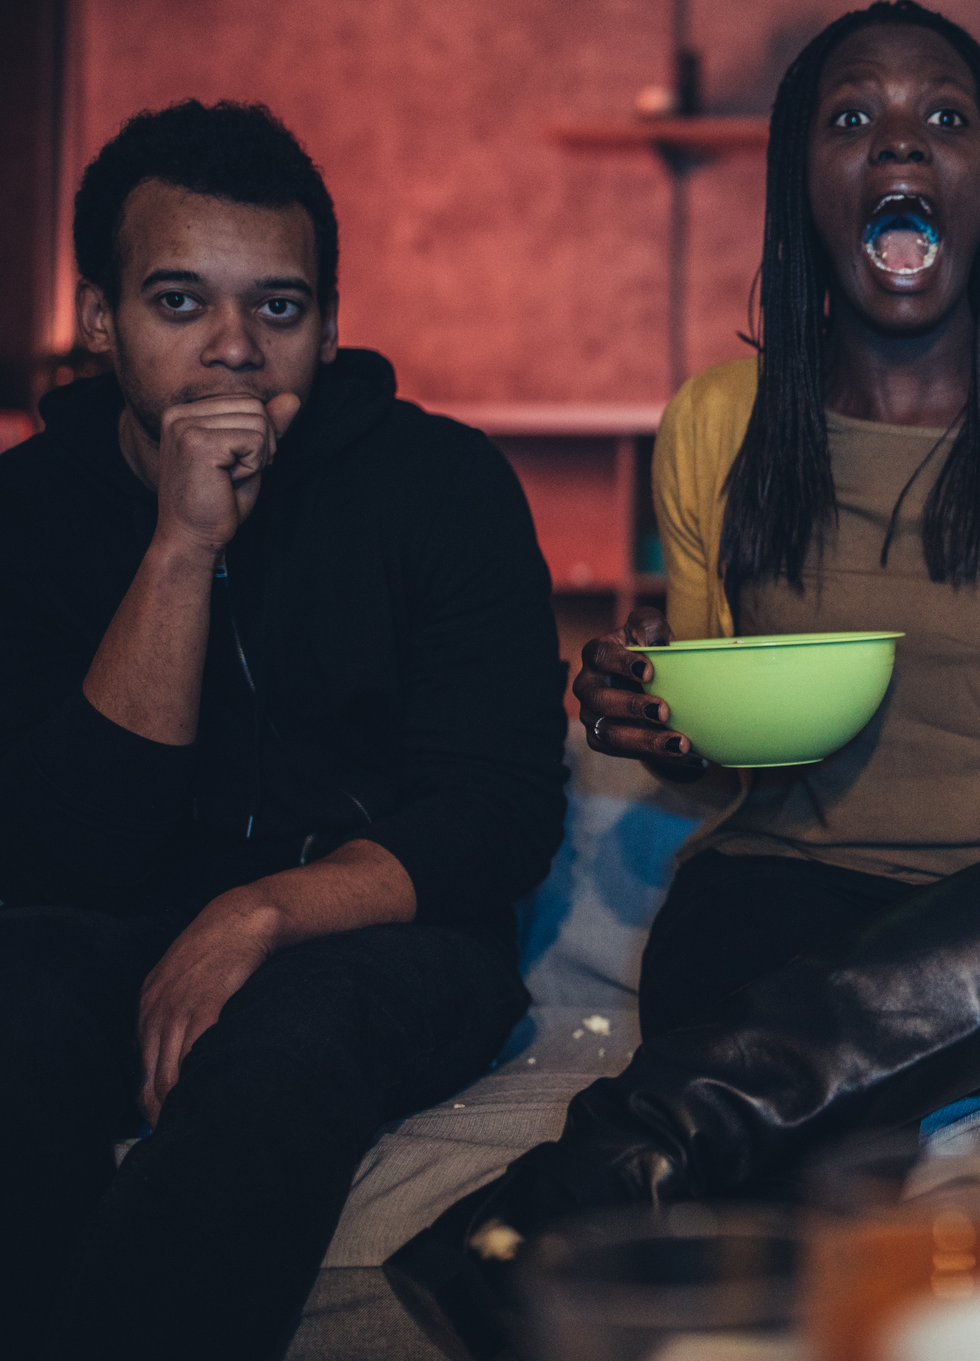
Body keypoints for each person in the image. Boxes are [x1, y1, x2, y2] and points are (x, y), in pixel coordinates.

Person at [385, 0, 980, 1359]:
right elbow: (733, 738)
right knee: (735, 959)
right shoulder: (716, 423)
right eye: (853, 117)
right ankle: (779, 1135)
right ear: (802, 183)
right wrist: (662, 719)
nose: (901, 142)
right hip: (780, 919)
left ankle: (636, 1152)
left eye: (945, 117)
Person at [0, 101, 569, 1360]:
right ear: (101, 321)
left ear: (326, 317)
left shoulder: (442, 482)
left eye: (278, 307)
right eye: (179, 302)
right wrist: (184, 543)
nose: (235, 351)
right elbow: (61, 853)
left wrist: (260, 912)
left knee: (290, 1045)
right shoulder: (25, 515)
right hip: (104, 921)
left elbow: (499, 811)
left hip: (378, 926)